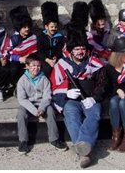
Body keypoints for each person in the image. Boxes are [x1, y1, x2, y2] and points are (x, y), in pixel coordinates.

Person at [50, 35, 104, 168]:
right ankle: (84, 153)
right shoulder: (62, 64)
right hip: (71, 101)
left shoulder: (95, 63)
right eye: (77, 49)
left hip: (90, 100)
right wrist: (65, 92)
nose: (80, 52)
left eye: (83, 48)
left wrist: (94, 98)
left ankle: (82, 148)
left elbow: (103, 84)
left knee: (94, 114)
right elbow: (54, 85)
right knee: (71, 115)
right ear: (70, 51)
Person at [15, 54, 68, 154]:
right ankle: (23, 141)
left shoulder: (44, 79)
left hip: (42, 103)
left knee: (50, 111)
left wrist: (42, 108)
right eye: (33, 66)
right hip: (28, 104)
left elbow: (47, 96)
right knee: (21, 113)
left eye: (38, 66)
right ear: (27, 66)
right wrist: (35, 111)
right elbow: (22, 99)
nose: (36, 68)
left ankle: (54, 139)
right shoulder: (22, 80)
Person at [8, 5, 38, 83]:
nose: (27, 29)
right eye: (24, 27)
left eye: (28, 26)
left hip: (31, 60)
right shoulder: (13, 39)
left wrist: (28, 58)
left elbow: (36, 50)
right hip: (18, 60)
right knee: (14, 69)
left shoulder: (33, 37)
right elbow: (9, 54)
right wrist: (19, 58)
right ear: (19, 27)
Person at [36, 1, 65, 77]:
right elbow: (40, 51)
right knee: (47, 69)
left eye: (55, 27)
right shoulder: (41, 36)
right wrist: (48, 60)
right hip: (44, 59)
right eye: (52, 27)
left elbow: (60, 49)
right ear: (46, 27)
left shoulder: (60, 37)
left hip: (56, 58)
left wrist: (56, 57)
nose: (54, 29)